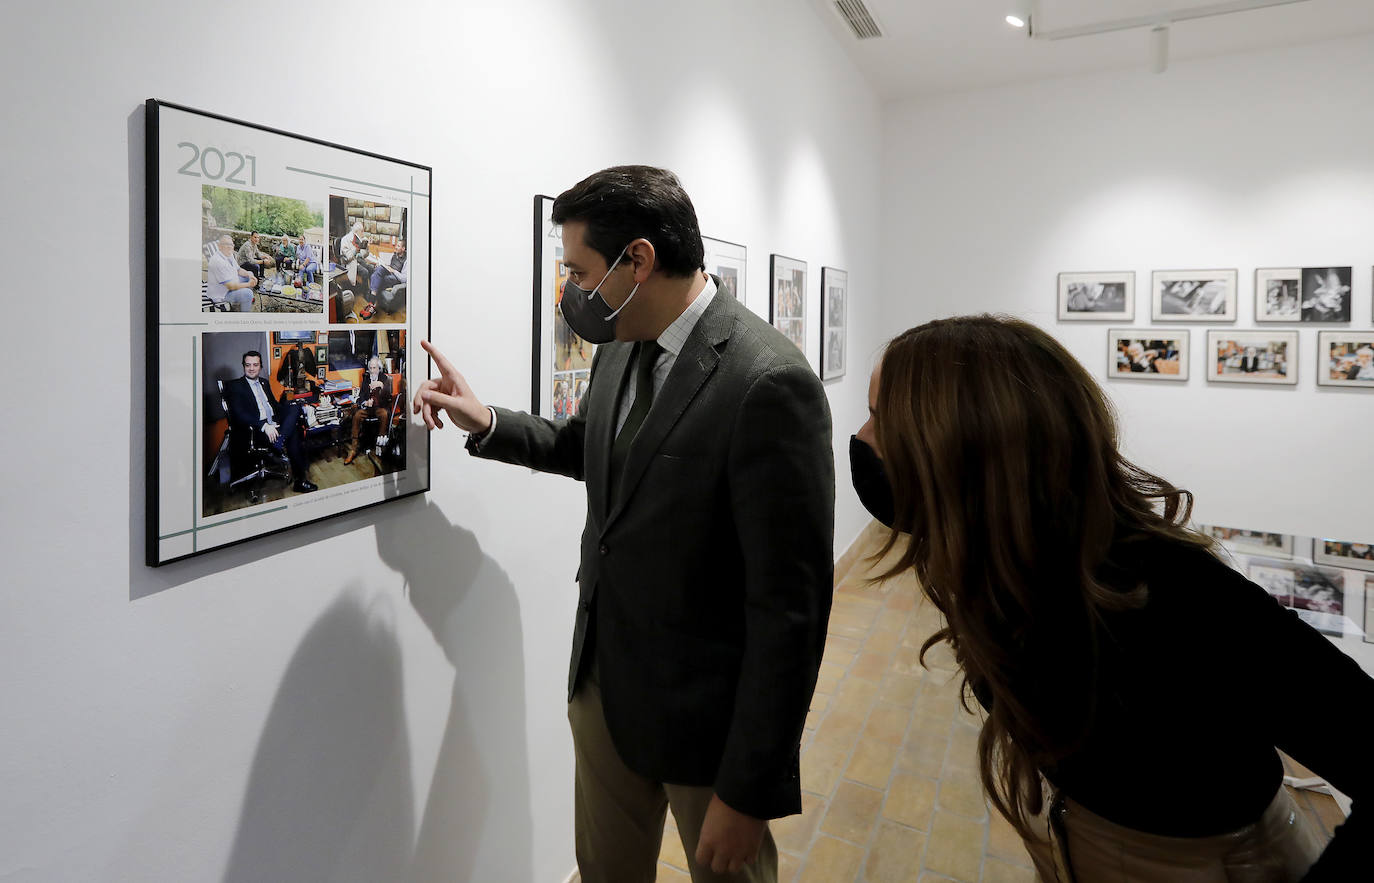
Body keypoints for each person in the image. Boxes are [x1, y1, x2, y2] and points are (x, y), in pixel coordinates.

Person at [413, 165, 834, 882]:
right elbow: (588, 450)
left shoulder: (767, 381)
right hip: (605, 687)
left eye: (579, 270)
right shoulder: (622, 344)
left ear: (637, 260)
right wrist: (485, 420)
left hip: (707, 721)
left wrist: (750, 786)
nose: (572, 290)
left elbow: (790, 609)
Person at [850, 315, 1369, 882]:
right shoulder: (1001, 565)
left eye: (880, 417)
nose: (863, 438)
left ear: (961, 444)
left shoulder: (1179, 595)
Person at [222, 351, 317, 494]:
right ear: (243, 366)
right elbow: (239, 414)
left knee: (295, 404)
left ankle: (280, 440)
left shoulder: (264, 383)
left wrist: (289, 409)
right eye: (248, 365)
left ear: (260, 366)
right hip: (255, 430)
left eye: (255, 365)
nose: (252, 368)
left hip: (275, 425)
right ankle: (300, 481)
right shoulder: (235, 386)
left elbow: (275, 406)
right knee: (294, 435)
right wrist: (264, 426)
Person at [343, 357, 392, 465]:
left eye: (374, 368)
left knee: (384, 414)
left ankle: (380, 444)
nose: (372, 370)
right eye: (370, 368)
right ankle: (353, 449)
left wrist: (382, 385)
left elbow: (389, 396)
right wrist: (365, 402)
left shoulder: (384, 378)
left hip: (379, 408)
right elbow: (360, 397)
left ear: (379, 368)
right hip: (368, 409)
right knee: (357, 415)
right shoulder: (366, 380)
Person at [206, 234, 257, 311]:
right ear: (219, 246)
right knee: (248, 293)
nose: (229, 246)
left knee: (249, 274)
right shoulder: (217, 261)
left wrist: (249, 274)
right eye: (226, 244)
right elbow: (231, 286)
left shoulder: (229, 254)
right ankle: (245, 316)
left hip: (230, 283)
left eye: (231, 244)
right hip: (221, 294)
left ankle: (242, 300)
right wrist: (249, 284)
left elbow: (238, 270)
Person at [363, 238, 408, 320]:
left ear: (403, 248)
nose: (396, 247)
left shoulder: (407, 260)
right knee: (378, 270)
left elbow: (404, 278)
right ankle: (372, 305)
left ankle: (371, 303)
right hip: (390, 271)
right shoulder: (395, 254)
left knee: (377, 278)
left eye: (398, 246)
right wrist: (384, 265)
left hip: (396, 277)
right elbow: (390, 265)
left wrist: (393, 271)